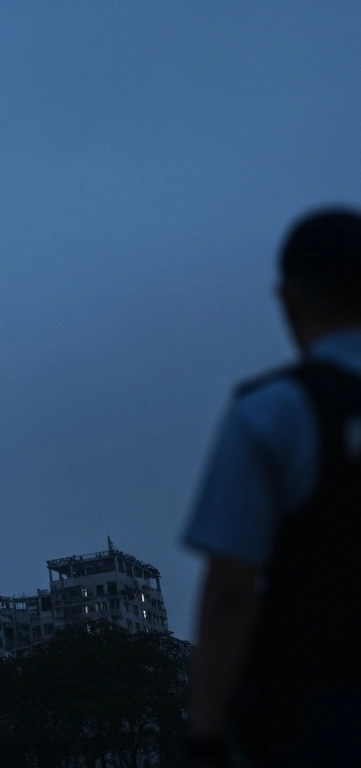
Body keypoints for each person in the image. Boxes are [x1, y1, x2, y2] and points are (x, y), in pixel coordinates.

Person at [182, 208, 361, 766]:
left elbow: (232, 588)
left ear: (288, 299)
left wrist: (206, 736)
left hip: (325, 715)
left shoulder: (275, 410)